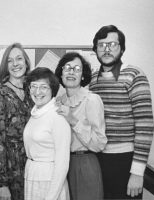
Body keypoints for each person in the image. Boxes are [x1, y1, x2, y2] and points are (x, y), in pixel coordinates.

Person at [89, 25, 154, 199]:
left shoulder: (134, 75)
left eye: (112, 44)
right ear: (95, 49)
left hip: (124, 161)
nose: (106, 49)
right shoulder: (93, 79)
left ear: (122, 48)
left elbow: (145, 126)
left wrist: (137, 173)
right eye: (101, 45)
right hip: (97, 159)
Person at [54, 52, 107, 200]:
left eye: (77, 69)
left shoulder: (92, 100)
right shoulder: (58, 101)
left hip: (85, 164)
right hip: (62, 165)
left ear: (83, 75)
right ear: (61, 73)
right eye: (67, 68)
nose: (71, 72)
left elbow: (99, 144)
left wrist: (73, 120)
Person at [0, 43, 34, 200]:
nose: (15, 64)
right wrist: (2, 183)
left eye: (19, 58)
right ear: (5, 66)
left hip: (32, 165)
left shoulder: (33, 91)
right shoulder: (1, 94)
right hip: (10, 168)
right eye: (10, 60)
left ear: (26, 62)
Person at [23, 67, 71, 200]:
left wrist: (51, 197)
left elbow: (62, 163)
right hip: (32, 176)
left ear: (52, 90)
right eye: (33, 86)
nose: (37, 92)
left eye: (43, 87)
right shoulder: (35, 113)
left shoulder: (57, 116)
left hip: (50, 182)